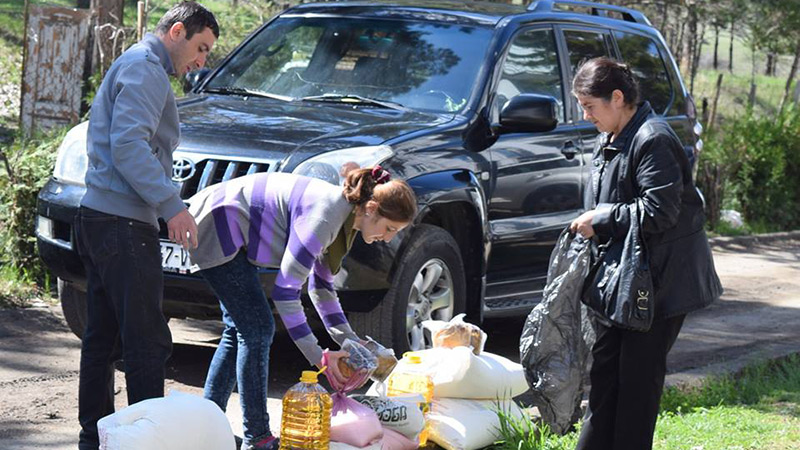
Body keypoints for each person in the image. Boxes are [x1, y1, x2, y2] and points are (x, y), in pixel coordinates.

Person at [187, 167, 417, 450]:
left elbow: (321, 287)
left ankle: (204, 429)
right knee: (258, 328)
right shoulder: (326, 217)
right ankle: (257, 438)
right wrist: (320, 357)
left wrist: (350, 341)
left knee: (242, 330)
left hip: (229, 226)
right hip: (216, 224)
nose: (388, 237)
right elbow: (286, 291)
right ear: (371, 209)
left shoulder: (347, 218)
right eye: (389, 228)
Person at [74, 3, 218, 449]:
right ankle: (146, 443)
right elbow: (129, 145)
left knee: (103, 337)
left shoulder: (132, 62)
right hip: (121, 223)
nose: (202, 61)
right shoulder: (146, 68)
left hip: (99, 217)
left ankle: (96, 440)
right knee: (146, 344)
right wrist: (172, 206)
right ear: (176, 31)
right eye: (200, 47)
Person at [568, 57, 722, 450]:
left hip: (656, 286)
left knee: (636, 387)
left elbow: (659, 211)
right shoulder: (613, 134)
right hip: (621, 281)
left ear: (617, 98)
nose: (586, 116)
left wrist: (602, 219)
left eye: (590, 106)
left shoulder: (653, 138)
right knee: (605, 379)